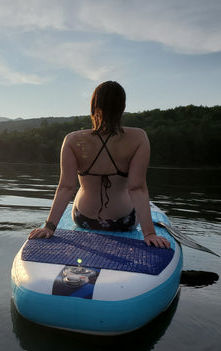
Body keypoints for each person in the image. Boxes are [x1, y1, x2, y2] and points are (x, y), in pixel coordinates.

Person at [28, 81, 170, 248]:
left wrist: (49, 227)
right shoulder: (138, 138)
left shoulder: (72, 140)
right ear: (123, 107)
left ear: (93, 106)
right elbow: (136, 188)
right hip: (124, 221)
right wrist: (150, 233)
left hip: (83, 219)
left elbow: (66, 187)